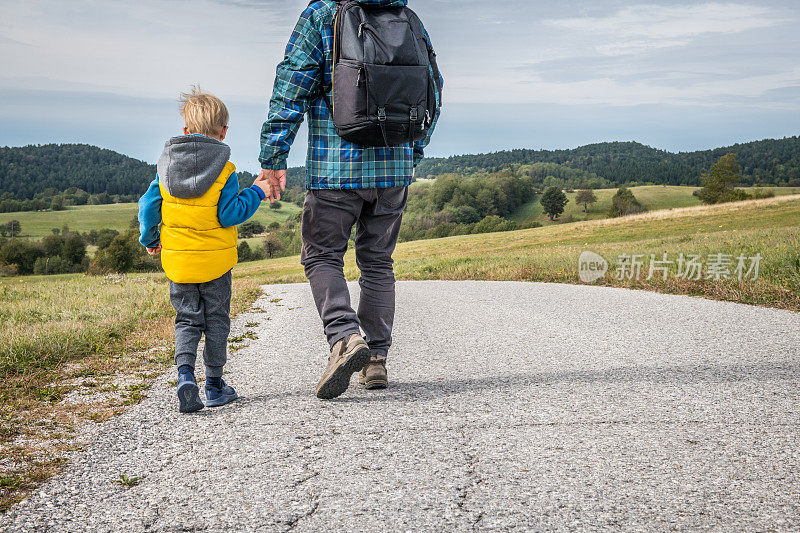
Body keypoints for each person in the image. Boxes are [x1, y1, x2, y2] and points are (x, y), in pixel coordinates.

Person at [258, 0, 443, 399]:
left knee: (321, 255)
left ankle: (344, 338)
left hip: (334, 169)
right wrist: (414, 149)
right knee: (377, 261)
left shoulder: (323, 14)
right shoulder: (406, 16)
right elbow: (434, 90)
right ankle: (376, 359)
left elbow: (291, 87)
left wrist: (273, 156)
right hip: (394, 171)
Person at [138, 87, 270, 413]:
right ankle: (214, 386)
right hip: (215, 264)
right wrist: (257, 191)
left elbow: (148, 207)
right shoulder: (225, 171)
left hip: (179, 264)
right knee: (216, 321)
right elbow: (230, 214)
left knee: (186, 319)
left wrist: (150, 239)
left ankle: (185, 376)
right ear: (224, 131)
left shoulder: (165, 169)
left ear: (185, 130)